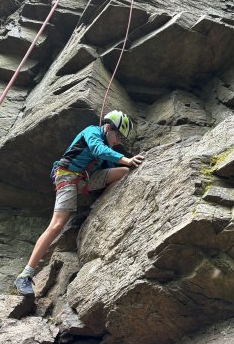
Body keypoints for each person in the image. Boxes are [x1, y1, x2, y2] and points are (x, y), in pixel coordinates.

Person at [14, 110, 145, 296]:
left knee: (123, 172)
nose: (118, 142)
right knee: (57, 224)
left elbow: (108, 168)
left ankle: (93, 208)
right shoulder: (92, 132)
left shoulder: (107, 148)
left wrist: (127, 164)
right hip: (67, 177)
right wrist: (126, 158)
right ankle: (24, 275)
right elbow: (97, 149)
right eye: (118, 136)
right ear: (108, 127)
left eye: (121, 139)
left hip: (83, 179)